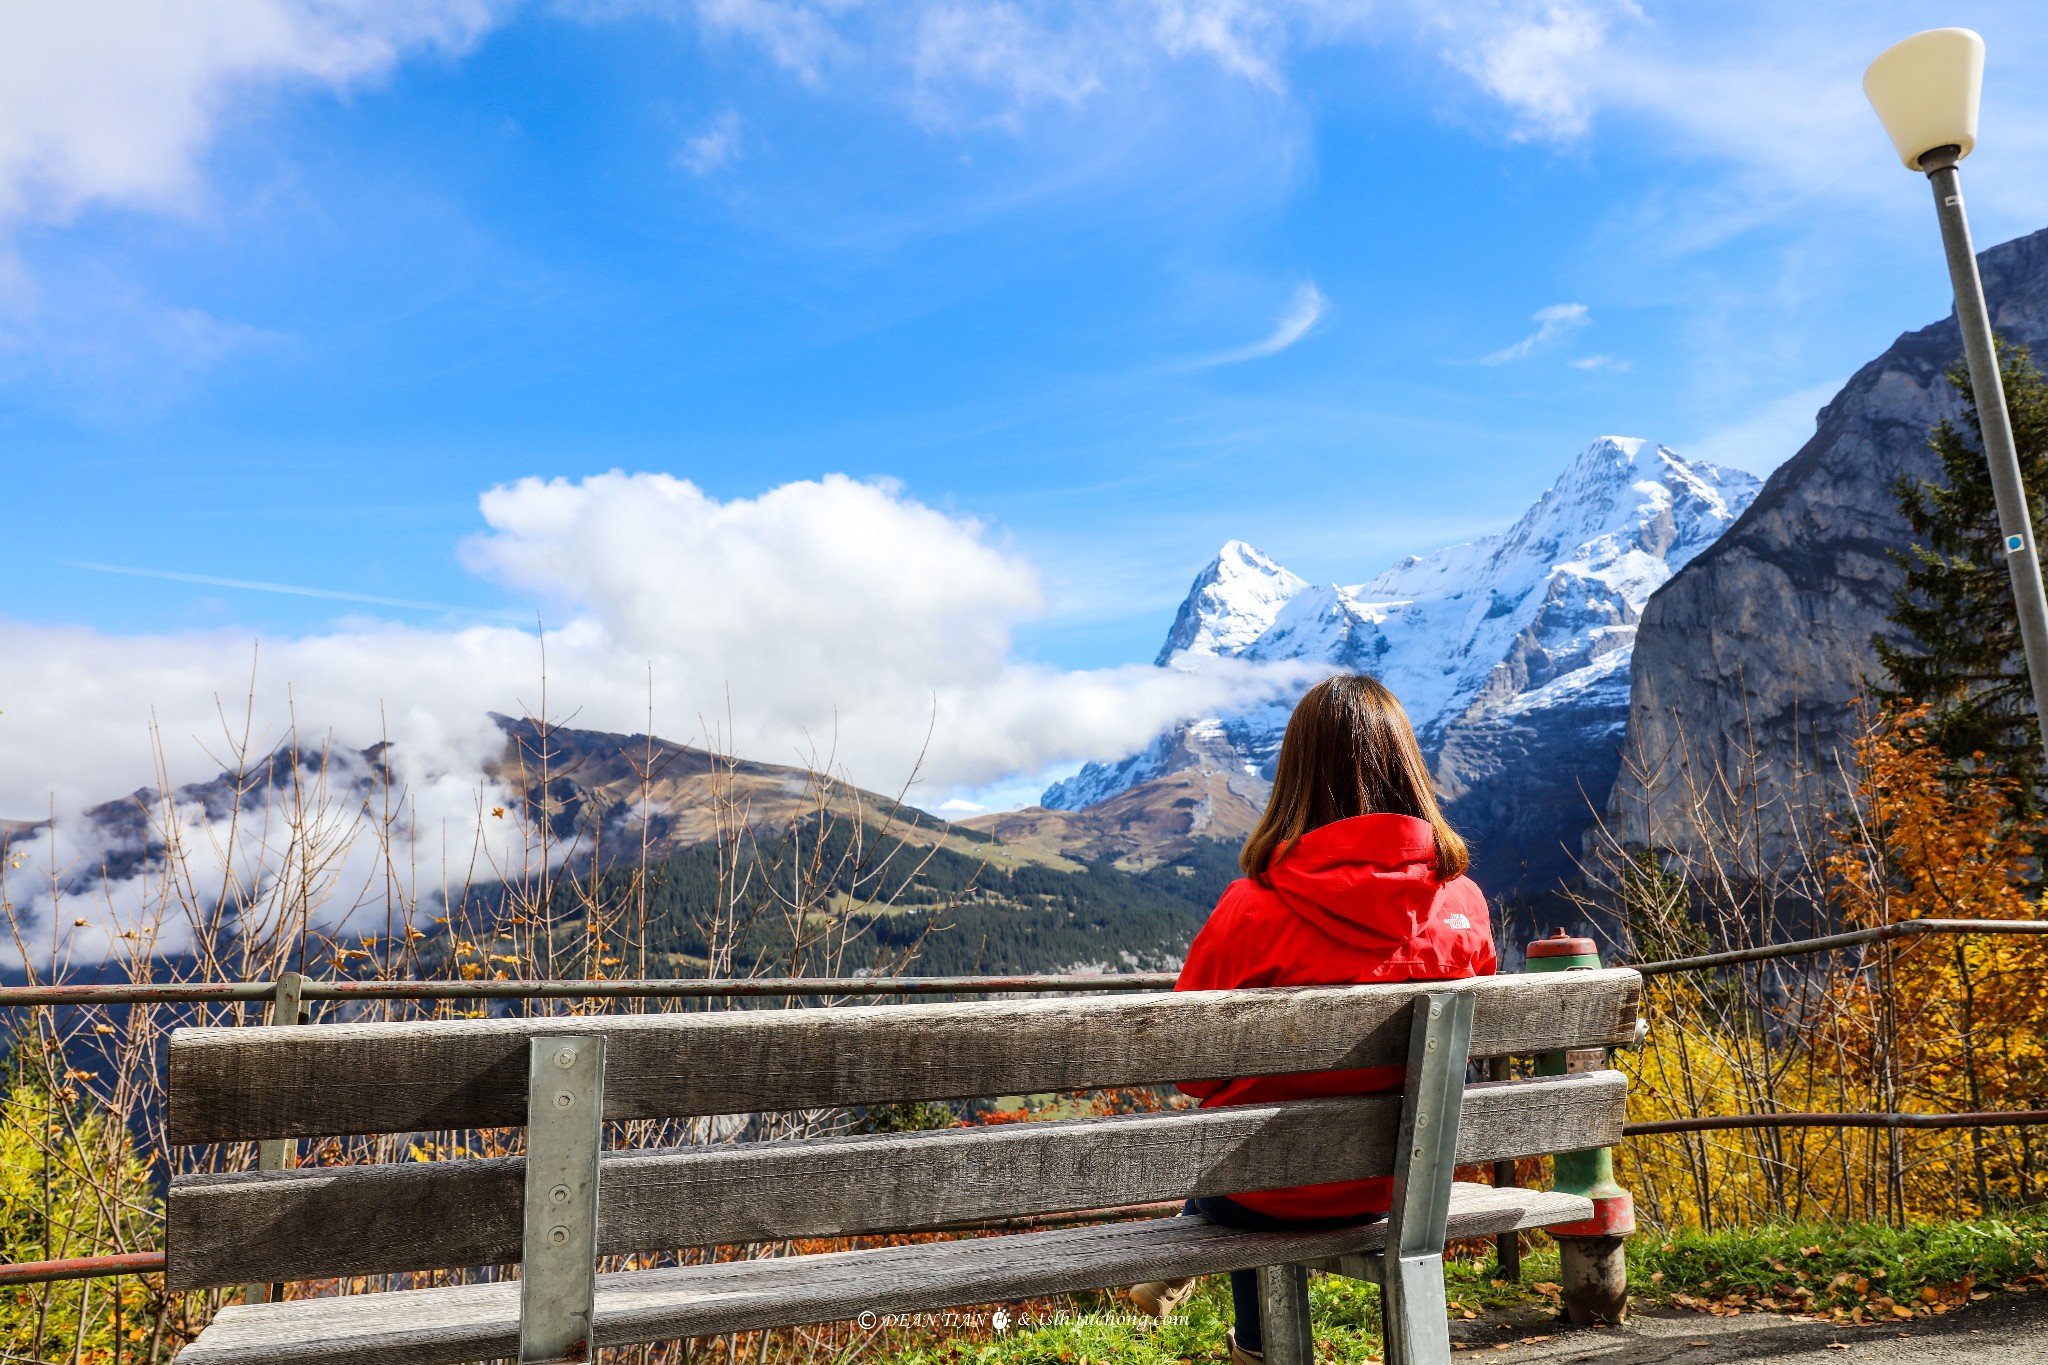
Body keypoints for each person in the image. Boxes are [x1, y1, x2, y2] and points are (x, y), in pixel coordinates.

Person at [1127, 673, 1497, 1363]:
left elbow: (1189, 1074)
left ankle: (1256, 1346)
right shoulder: (1465, 903)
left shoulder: (1250, 908)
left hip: (1270, 1193)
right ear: (1408, 771)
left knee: (1242, 1148)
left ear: (1295, 779)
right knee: (1258, 1147)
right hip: (1409, 1183)